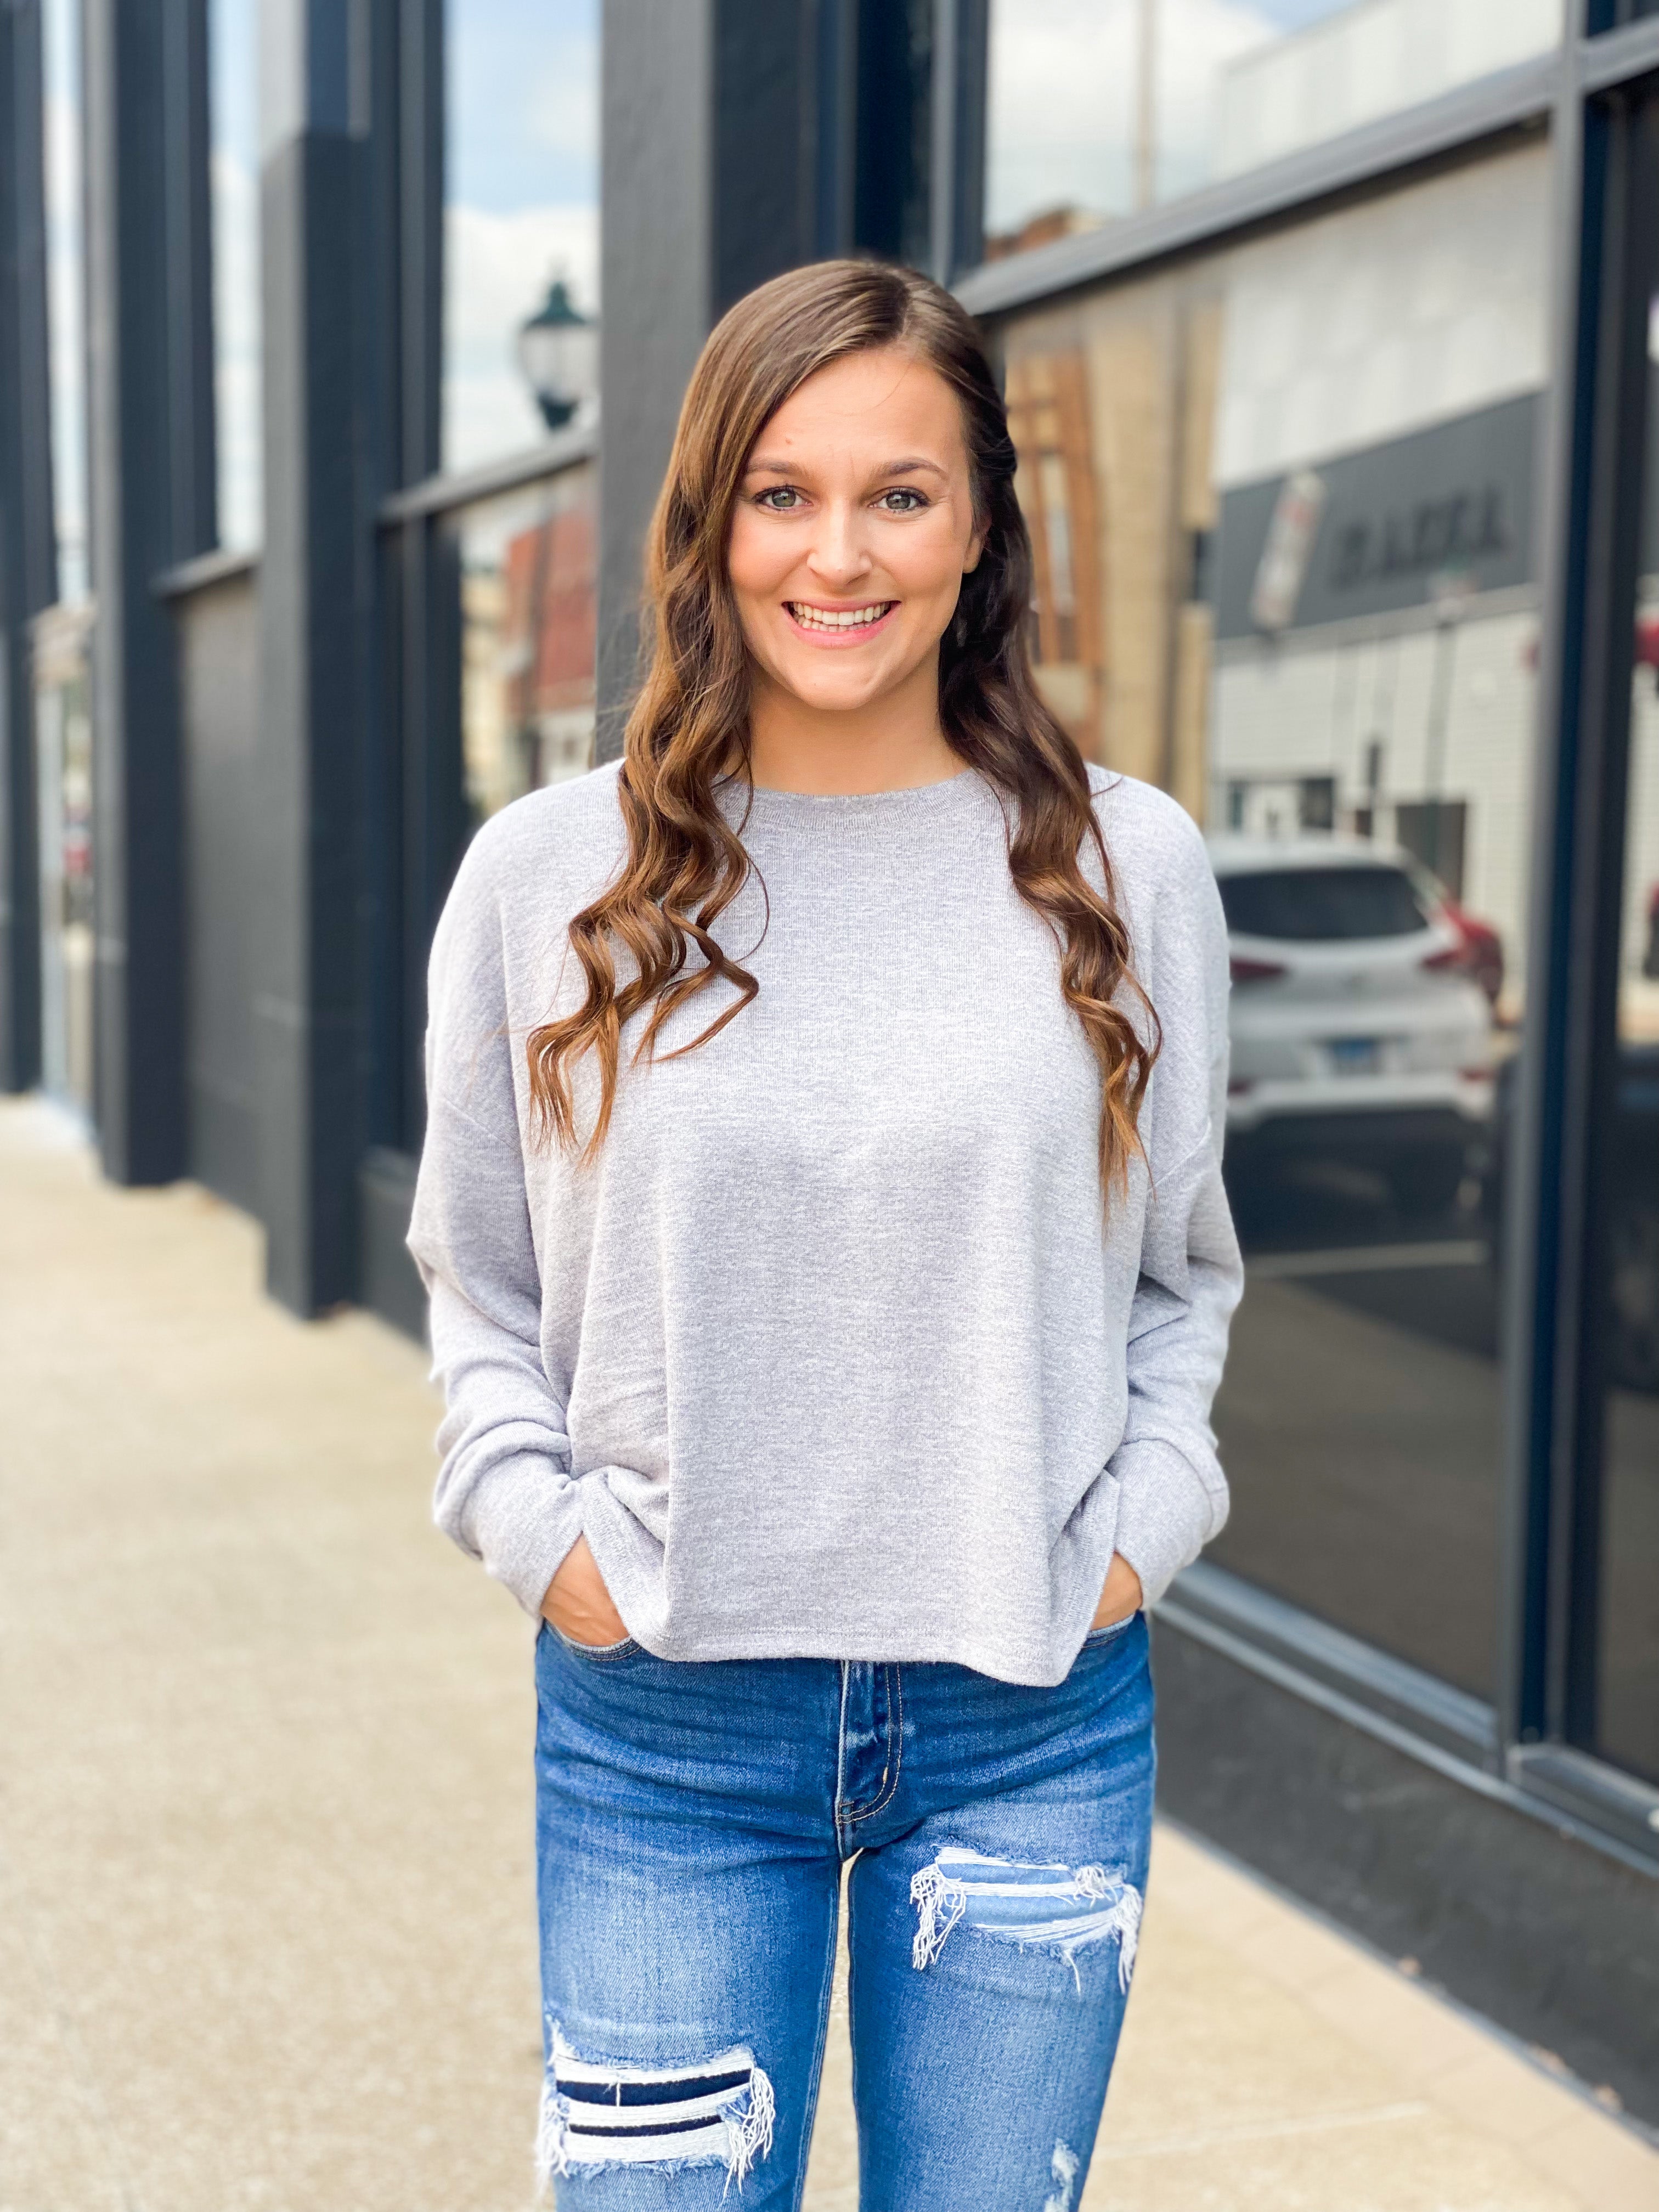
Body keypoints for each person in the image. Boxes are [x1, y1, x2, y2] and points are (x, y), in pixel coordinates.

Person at [408, 257, 1242, 2211]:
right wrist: (546, 1543)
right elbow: (479, 1281)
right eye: (782, 493)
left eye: (900, 492)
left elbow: (1182, 1273)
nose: (837, 554)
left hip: (1029, 1704)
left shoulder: (1129, 868)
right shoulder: (553, 879)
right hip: (664, 1725)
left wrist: (1143, 1528)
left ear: (978, 531)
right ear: (709, 527)